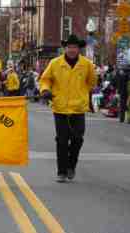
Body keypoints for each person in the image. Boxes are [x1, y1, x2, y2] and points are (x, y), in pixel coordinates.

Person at [39, 34, 97, 183]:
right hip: (60, 108)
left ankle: (71, 165)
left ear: (79, 49)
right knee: (62, 141)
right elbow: (45, 79)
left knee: (78, 139)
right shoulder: (55, 63)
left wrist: (83, 94)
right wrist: (45, 90)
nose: (72, 50)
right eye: (69, 47)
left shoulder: (87, 64)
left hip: (78, 108)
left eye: (75, 47)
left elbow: (91, 82)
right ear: (65, 48)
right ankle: (62, 171)